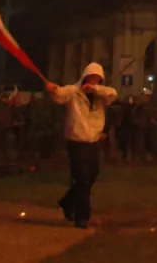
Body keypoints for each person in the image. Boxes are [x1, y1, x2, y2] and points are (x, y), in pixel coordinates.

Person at [47, 62, 117, 229]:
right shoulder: (74, 92)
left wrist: (96, 90)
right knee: (82, 178)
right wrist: (53, 89)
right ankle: (82, 217)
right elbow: (60, 94)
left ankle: (67, 202)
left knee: (91, 175)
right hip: (76, 141)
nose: (94, 81)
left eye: (97, 79)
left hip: (93, 141)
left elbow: (113, 94)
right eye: (92, 78)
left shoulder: (101, 95)